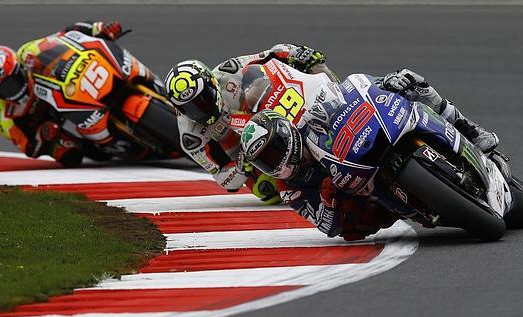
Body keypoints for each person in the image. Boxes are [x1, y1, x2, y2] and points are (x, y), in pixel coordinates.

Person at [239, 68, 500, 241]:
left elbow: (345, 95)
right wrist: (328, 200)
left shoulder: (308, 125)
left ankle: (469, 129)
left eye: (273, 152)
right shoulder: (288, 187)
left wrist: (382, 84)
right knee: (352, 230)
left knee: (411, 82)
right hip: (363, 196)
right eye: (266, 162)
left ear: (287, 133)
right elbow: (326, 226)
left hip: (362, 148)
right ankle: (418, 203)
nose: (275, 161)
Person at [164, 45, 339, 203]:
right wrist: (241, 165)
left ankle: (340, 95)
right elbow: (224, 179)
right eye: (191, 107)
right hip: (253, 150)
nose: (201, 109)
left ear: (212, 83)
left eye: (203, 99)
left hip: (273, 111)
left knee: (314, 62)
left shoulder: (228, 71)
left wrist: (296, 53)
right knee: (265, 189)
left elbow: (272, 53)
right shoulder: (190, 137)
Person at [0, 21, 141, 167]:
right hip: (47, 120)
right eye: (7, 87)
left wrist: (99, 28)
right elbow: (28, 147)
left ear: (19, 67)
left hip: (58, 88)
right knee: (70, 155)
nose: (15, 87)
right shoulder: (1, 116)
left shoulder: (28, 52)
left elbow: (67, 35)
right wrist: (42, 136)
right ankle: (106, 144)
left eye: (16, 78)